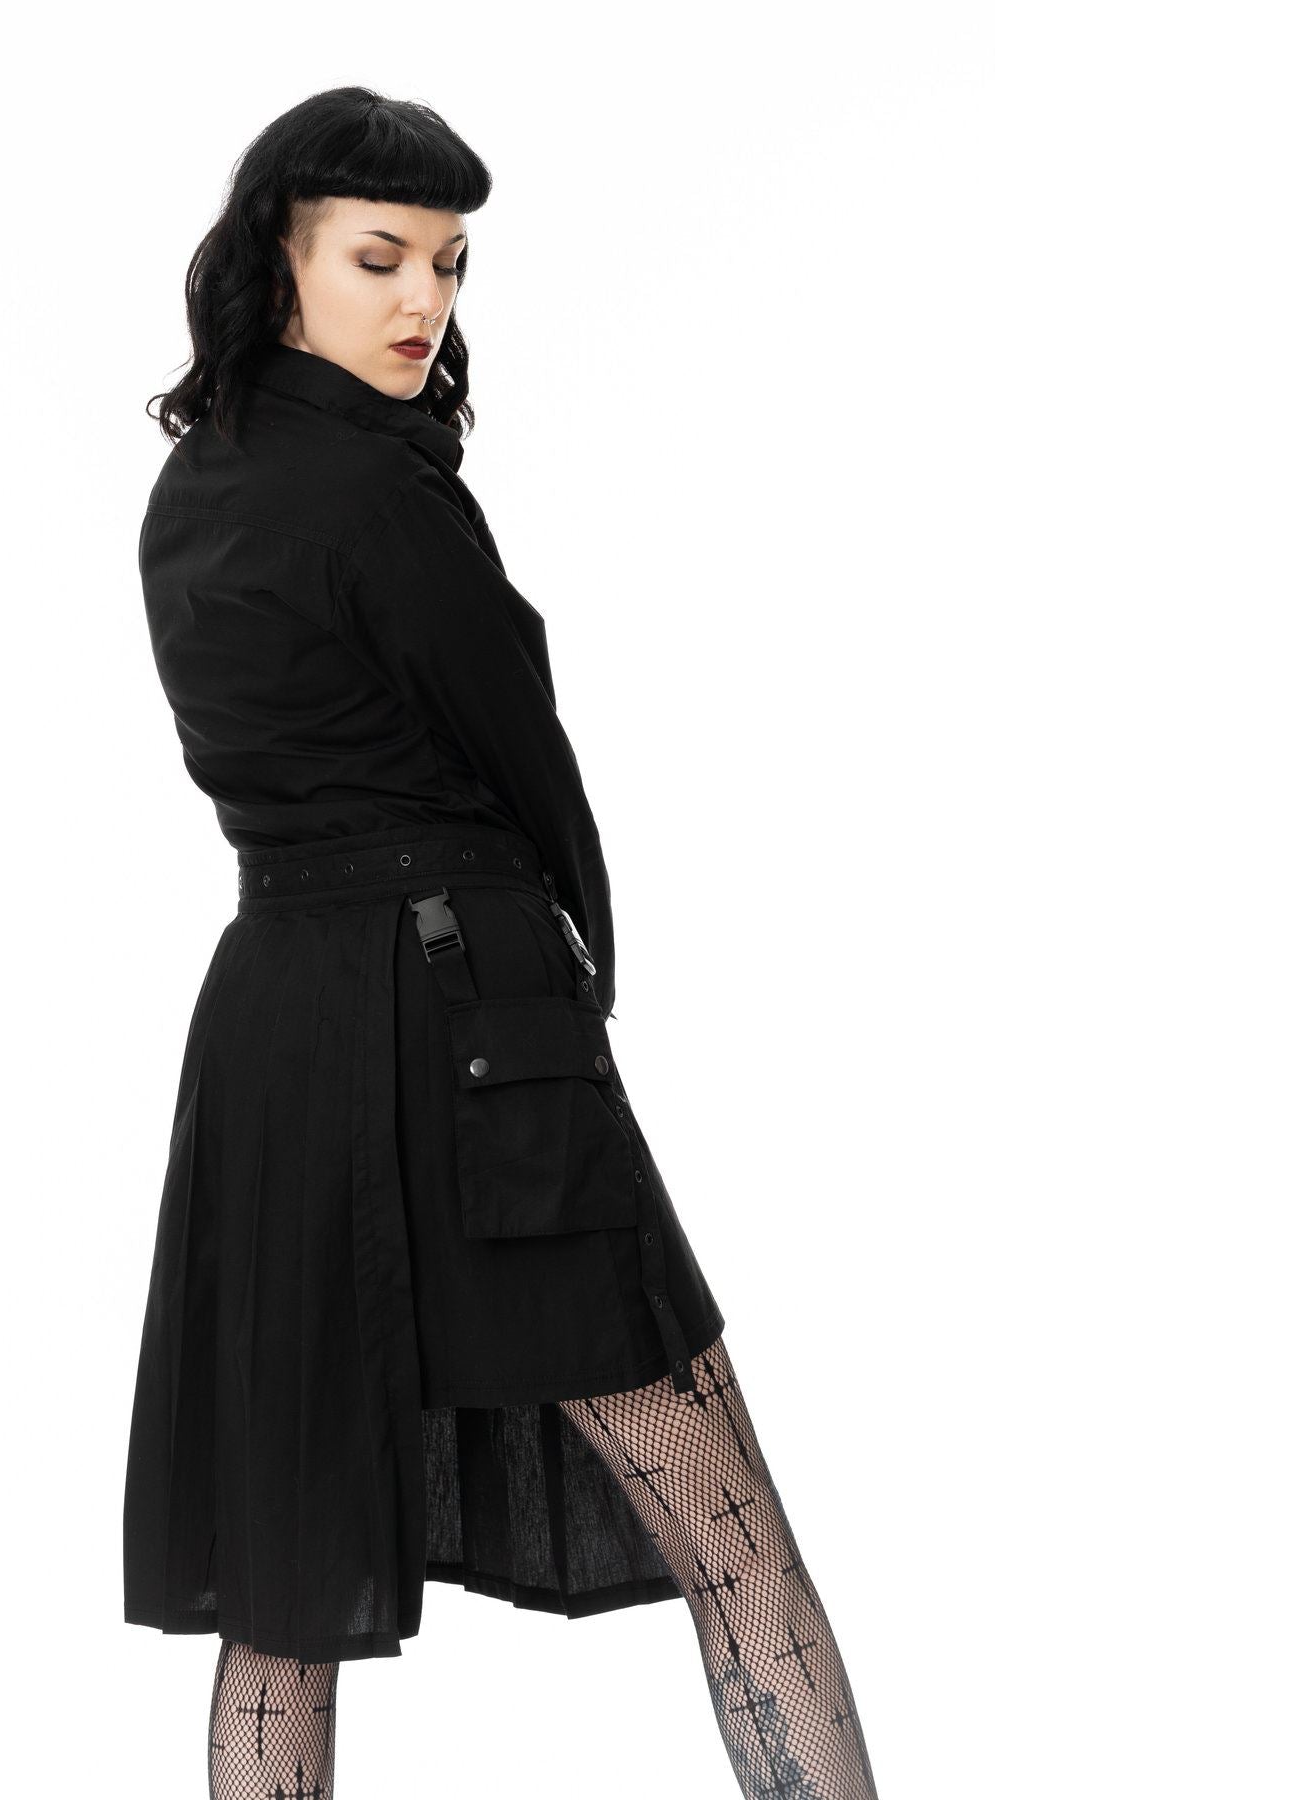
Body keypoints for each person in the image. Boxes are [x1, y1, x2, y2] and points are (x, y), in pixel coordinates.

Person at [124, 85, 880, 1800]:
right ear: (280, 258)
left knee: (285, 1597)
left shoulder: (193, 488)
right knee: (729, 1529)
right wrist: (579, 957)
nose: (424, 302)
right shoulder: (381, 494)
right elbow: (521, 758)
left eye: (451, 265)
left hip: (279, 1032)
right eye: (381, 258)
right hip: (470, 1019)